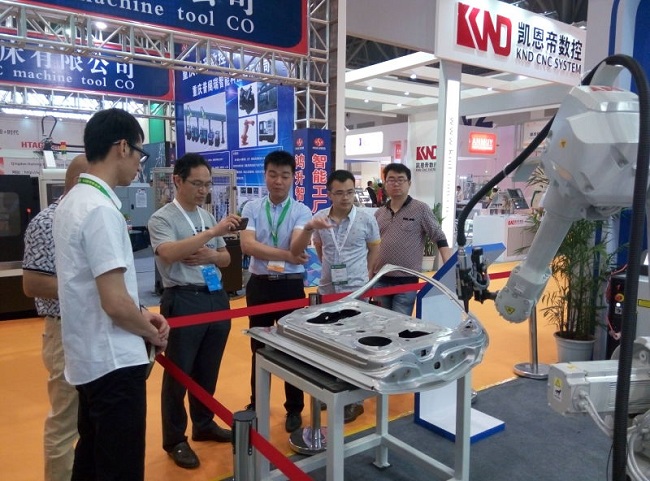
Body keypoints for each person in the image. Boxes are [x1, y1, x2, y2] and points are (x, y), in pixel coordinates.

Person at [53, 108, 169, 481]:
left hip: (87, 358)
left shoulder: (72, 202)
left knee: (91, 458)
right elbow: (115, 304)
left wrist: (141, 312)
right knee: (120, 467)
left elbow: (91, 286)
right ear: (122, 147)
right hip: (114, 363)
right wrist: (151, 333)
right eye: (139, 153)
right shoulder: (100, 210)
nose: (138, 164)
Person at [148, 153, 241, 470]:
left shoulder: (206, 216)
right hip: (183, 299)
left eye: (207, 184)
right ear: (178, 180)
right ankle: (175, 438)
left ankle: (203, 423)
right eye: (197, 184)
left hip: (215, 296)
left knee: (207, 368)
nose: (203, 190)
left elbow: (226, 259)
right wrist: (211, 235)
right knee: (178, 373)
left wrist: (211, 256)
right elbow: (168, 253)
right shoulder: (162, 219)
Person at [240, 150, 322, 433]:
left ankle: (294, 408)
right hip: (260, 285)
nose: (278, 181)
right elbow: (248, 246)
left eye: (284, 175)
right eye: (273, 174)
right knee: (258, 347)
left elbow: (298, 245)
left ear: (293, 178)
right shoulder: (251, 208)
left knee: (293, 348)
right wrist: (287, 255)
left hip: (290, 286)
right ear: (265, 175)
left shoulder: (301, 211)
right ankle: (257, 404)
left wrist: (290, 251)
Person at [22, 154, 88, 481]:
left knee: (91, 419)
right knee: (64, 423)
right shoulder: (47, 222)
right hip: (64, 332)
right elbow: (33, 284)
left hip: (93, 330)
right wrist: (94, 289)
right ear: (78, 182)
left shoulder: (93, 216)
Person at [301, 169, 380, 423]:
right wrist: (330, 269)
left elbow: (374, 249)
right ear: (329, 194)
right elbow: (319, 246)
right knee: (329, 341)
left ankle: (355, 400)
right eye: (339, 193)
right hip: (327, 289)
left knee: (355, 343)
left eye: (350, 192)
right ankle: (332, 392)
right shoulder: (320, 218)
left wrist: (366, 273)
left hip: (356, 289)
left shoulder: (366, 219)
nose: (345, 197)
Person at [373, 163, 452, 316]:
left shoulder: (420, 209)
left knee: (400, 322)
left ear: (409, 183)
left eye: (400, 179)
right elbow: (373, 246)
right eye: (391, 180)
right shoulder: (380, 213)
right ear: (385, 184)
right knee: (380, 321)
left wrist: (448, 268)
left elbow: (439, 237)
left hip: (406, 280)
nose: (396, 184)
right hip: (380, 278)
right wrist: (370, 273)